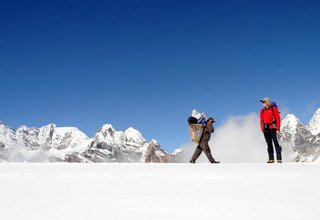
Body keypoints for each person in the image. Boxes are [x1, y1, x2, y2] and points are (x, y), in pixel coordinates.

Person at [260, 97, 282, 163]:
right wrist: (262, 129)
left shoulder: (274, 109)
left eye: (264, 102)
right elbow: (261, 120)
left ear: (267, 102)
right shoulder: (262, 111)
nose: (263, 104)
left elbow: (278, 119)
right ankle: (271, 159)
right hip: (266, 129)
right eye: (262, 102)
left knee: (275, 142)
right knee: (269, 144)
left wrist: (278, 129)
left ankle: (279, 159)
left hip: (273, 128)